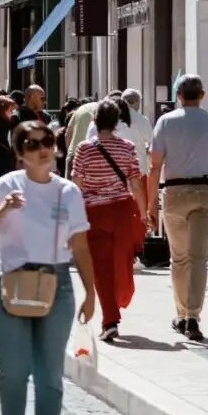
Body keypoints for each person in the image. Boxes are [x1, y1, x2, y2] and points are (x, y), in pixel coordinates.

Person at [0, 121, 96, 415]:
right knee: (13, 370)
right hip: (10, 281)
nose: (42, 148)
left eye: (48, 141)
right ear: (20, 152)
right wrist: (3, 210)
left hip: (55, 282)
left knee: (49, 374)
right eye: (32, 143)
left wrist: (91, 293)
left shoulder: (68, 192)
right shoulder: (4, 186)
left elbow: (81, 246)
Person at [148, 74, 208, 342]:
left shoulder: (165, 121)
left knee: (179, 258)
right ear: (203, 94)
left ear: (178, 96)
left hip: (174, 191)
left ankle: (182, 313)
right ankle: (193, 317)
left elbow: (154, 166)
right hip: (206, 190)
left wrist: (151, 204)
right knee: (198, 258)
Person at [69, 100, 148, 342]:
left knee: (101, 268)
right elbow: (135, 182)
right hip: (122, 211)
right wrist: (144, 212)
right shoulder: (126, 147)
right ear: (116, 123)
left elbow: (77, 183)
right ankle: (119, 300)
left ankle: (110, 319)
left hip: (94, 213)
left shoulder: (84, 149)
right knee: (122, 261)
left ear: (94, 121)